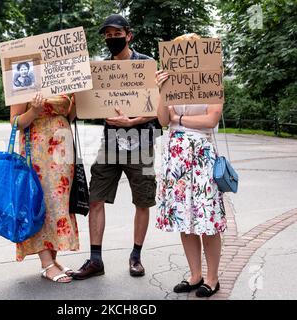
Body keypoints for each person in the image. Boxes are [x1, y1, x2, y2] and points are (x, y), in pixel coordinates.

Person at [71, 14, 159, 280]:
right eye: (107, 35)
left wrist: (132, 121)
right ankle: (95, 259)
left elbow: (157, 108)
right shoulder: (100, 70)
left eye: (116, 34)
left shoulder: (146, 65)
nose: (112, 39)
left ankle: (136, 257)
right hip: (109, 143)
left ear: (128, 35)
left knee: (142, 200)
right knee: (96, 197)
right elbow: (85, 108)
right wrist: (77, 92)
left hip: (141, 143)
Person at [154, 33, 227, 298]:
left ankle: (212, 277)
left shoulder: (212, 79)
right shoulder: (170, 82)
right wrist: (161, 91)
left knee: (206, 218)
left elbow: (211, 120)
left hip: (202, 155)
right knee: (184, 218)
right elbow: (163, 119)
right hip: (176, 157)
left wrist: (180, 118)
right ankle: (195, 274)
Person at [10, 92, 79, 283]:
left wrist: (78, 98)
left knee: (59, 203)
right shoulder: (24, 78)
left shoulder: (62, 72)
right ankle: (47, 263)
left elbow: (69, 116)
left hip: (63, 146)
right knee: (39, 202)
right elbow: (15, 122)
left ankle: (54, 260)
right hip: (38, 148)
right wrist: (34, 110)